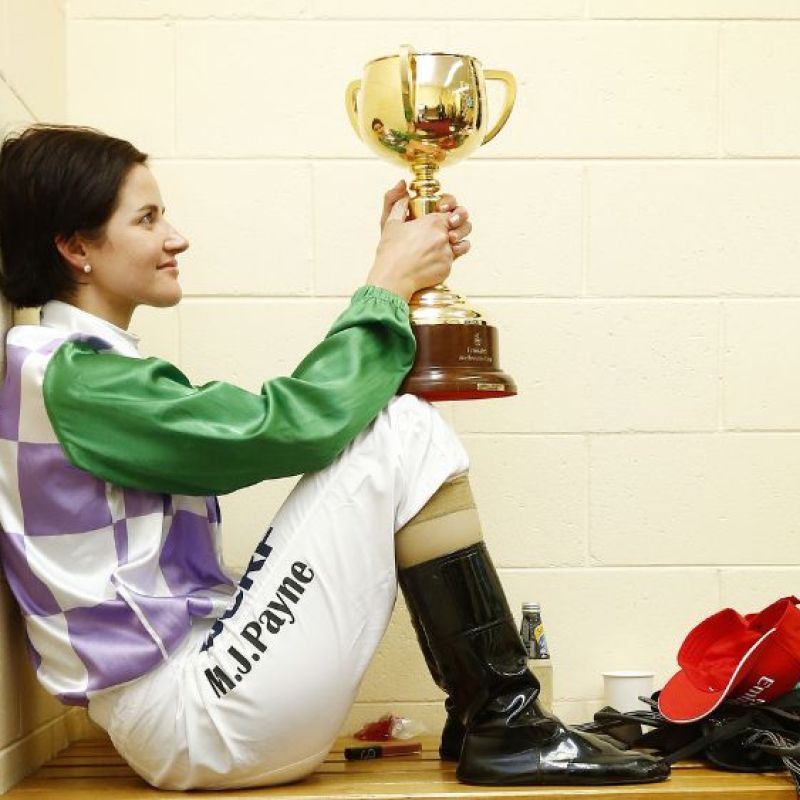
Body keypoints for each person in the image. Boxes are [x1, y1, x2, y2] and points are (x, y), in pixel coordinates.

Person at [0, 124, 668, 790]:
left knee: (399, 426)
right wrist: (389, 281)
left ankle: (491, 714)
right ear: (76, 246)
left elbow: (296, 423)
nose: (176, 238)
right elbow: (286, 429)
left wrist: (397, 277)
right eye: (147, 219)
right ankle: (505, 720)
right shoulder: (70, 378)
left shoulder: (75, 370)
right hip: (192, 718)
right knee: (403, 428)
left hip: (196, 699)